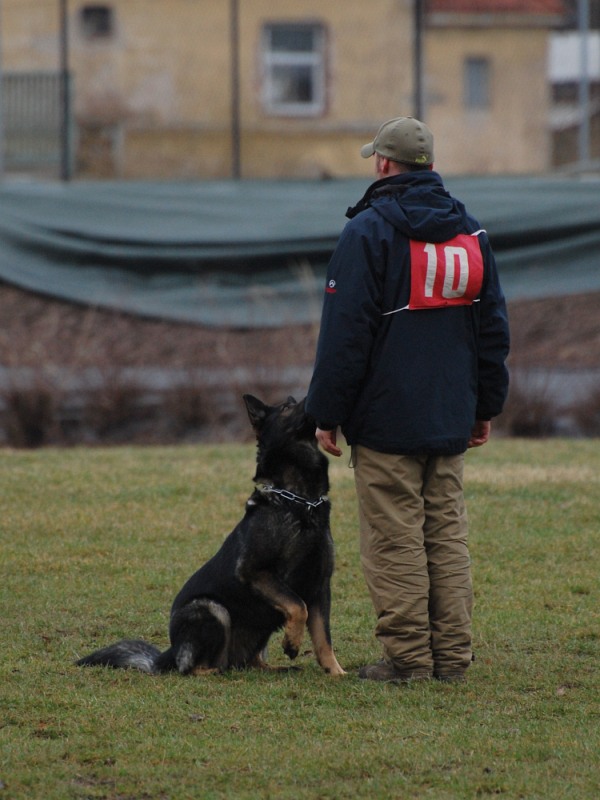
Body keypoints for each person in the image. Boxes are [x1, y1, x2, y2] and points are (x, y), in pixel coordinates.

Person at [305, 116, 510, 683]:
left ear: (384, 165)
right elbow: (492, 329)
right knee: (444, 534)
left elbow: (346, 337)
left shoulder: (367, 232)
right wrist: (484, 406)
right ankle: (451, 659)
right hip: (449, 414)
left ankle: (410, 662)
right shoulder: (471, 232)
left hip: (387, 419)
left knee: (394, 539)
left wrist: (327, 414)